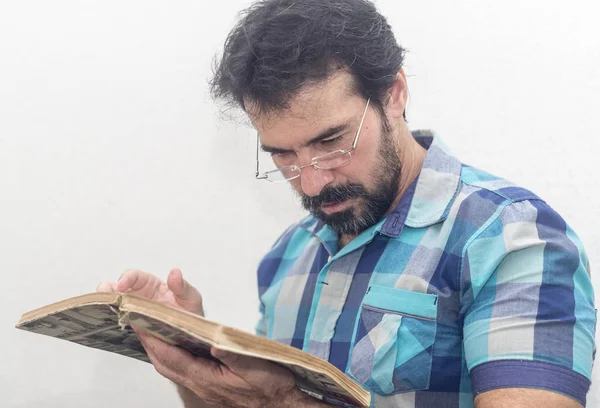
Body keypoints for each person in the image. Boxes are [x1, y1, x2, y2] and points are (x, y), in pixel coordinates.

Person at [97, 0, 596, 407]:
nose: (312, 184)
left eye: (332, 141)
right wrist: (192, 350)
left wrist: (284, 404)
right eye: (284, 154)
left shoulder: (513, 238)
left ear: (394, 94)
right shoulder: (288, 256)